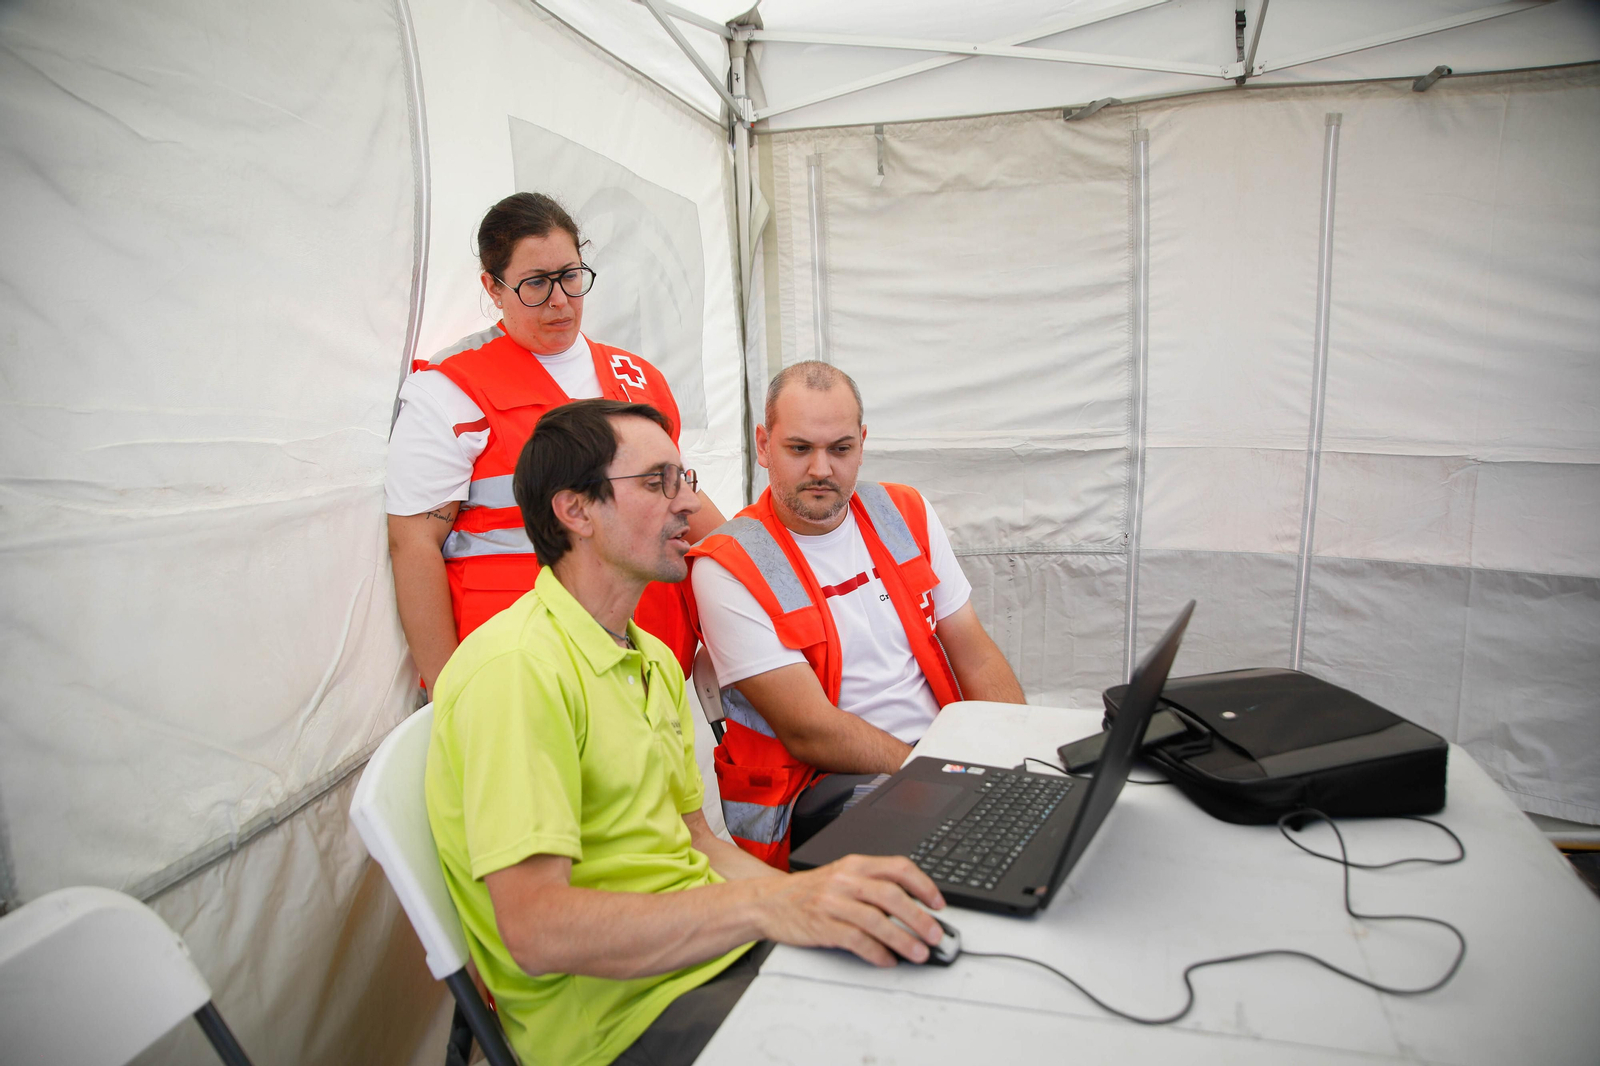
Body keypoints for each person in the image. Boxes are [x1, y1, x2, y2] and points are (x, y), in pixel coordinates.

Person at [424, 398, 947, 1066]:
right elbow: (535, 931)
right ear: (576, 510)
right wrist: (767, 907)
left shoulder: (647, 658)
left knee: (927, 995)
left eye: (685, 479)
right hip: (623, 1019)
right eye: (657, 483)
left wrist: (811, 896)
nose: (689, 505)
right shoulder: (519, 670)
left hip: (710, 959)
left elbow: (696, 841)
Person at [689, 362, 1026, 867]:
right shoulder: (727, 564)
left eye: (840, 449)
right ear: (763, 445)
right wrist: (941, 775)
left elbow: (974, 653)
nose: (821, 469)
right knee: (982, 853)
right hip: (820, 791)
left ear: (862, 444)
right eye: (799, 448)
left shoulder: (905, 511)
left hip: (934, 757)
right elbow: (810, 730)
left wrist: (1017, 752)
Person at [386, 192, 723, 694]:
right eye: (536, 284)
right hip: (523, 676)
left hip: (648, 664)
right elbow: (414, 545)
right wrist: (446, 690)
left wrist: (763, 568)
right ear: (492, 287)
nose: (560, 300)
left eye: (570, 276)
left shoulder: (637, 378)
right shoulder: (451, 390)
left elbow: (685, 503)